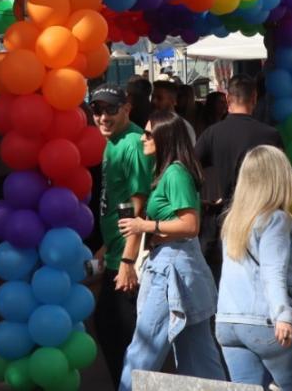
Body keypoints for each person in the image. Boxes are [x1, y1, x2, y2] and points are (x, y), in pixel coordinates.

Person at [116, 112, 225, 391]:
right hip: (178, 266)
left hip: (171, 269)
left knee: (143, 350)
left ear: (166, 137)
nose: (143, 137)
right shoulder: (169, 172)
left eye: (149, 133)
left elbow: (190, 225)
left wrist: (145, 224)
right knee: (198, 356)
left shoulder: (175, 173)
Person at [215, 146, 292, 391]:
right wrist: (283, 314)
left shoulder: (234, 219)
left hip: (228, 323)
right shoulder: (275, 219)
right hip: (266, 321)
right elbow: (273, 270)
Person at [89, 86, 153, 389]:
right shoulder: (112, 141)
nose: (103, 117)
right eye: (97, 110)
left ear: (126, 108)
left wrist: (128, 260)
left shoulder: (132, 145)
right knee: (115, 333)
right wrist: (104, 248)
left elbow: (138, 212)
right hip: (117, 252)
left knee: (123, 336)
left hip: (131, 258)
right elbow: (116, 204)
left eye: (110, 110)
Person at [194, 75, 283, 279]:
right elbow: (282, 178)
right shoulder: (270, 134)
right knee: (264, 273)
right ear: (254, 98)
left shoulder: (213, 133)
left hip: (228, 214)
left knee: (232, 275)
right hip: (264, 214)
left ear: (227, 98)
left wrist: (198, 200)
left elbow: (188, 167)